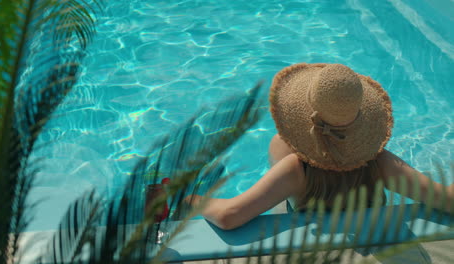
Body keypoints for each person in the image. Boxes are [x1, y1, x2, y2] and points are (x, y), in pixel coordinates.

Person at [186, 63, 454, 230]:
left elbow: (228, 216)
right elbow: (447, 201)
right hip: (368, 229)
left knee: (279, 143)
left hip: (303, 221)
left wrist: (189, 198)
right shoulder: (380, 162)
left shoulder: (295, 170)